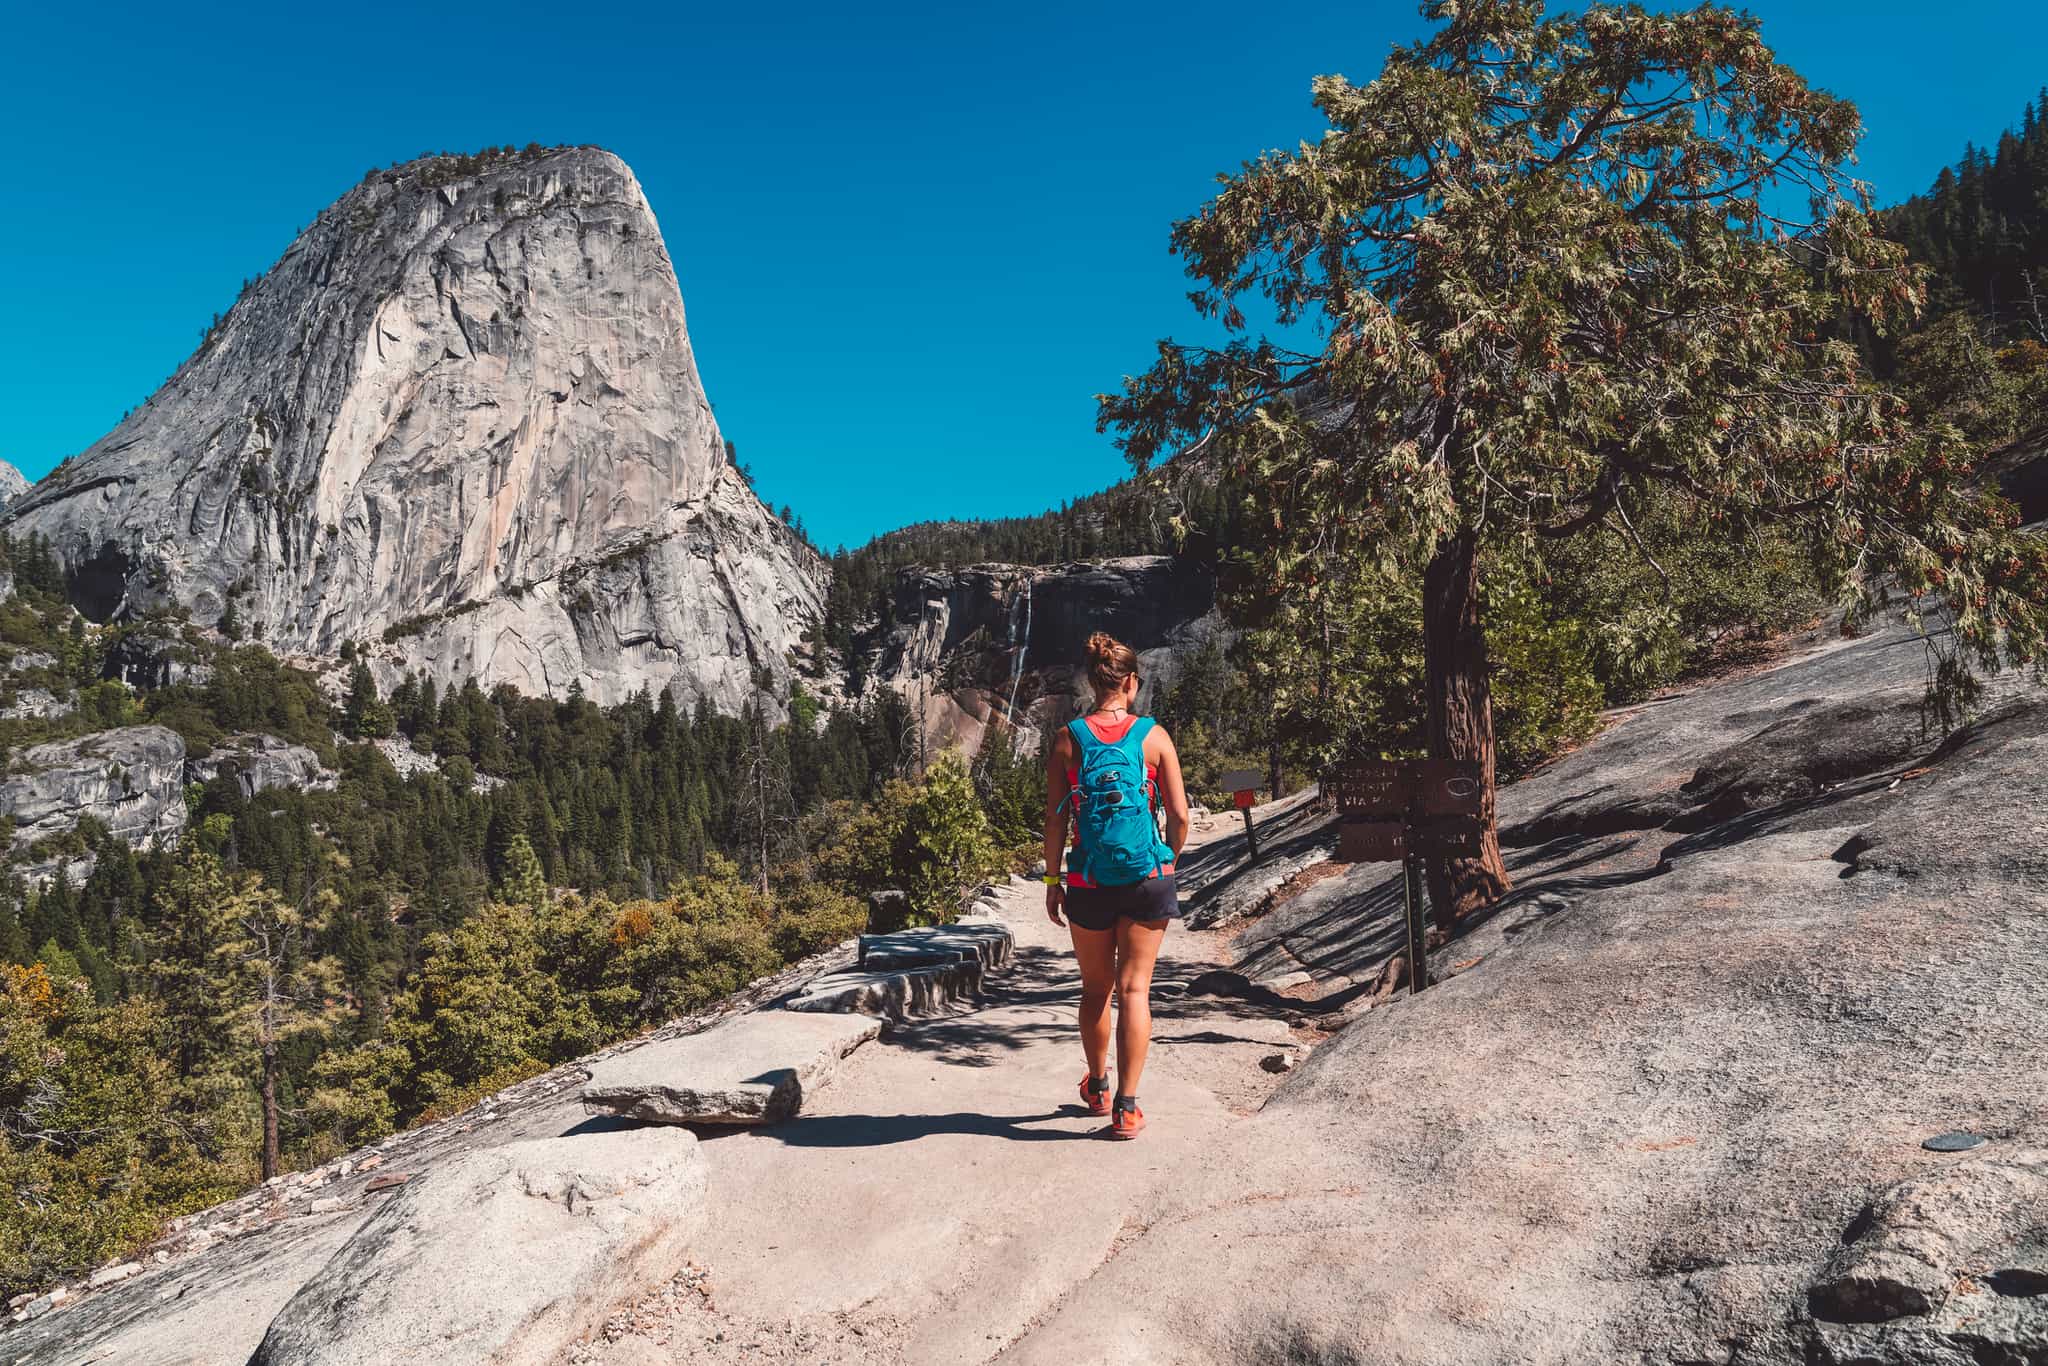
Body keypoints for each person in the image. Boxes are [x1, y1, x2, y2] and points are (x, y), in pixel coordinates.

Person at [1042, 632, 1190, 1139]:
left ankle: (1098, 1087)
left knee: (1096, 989)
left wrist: (1051, 880)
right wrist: (1166, 857)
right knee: (1135, 989)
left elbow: (1055, 823)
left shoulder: (1067, 739)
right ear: (1130, 682)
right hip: (1147, 877)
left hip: (1087, 880)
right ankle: (1127, 1108)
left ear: (1091, 680)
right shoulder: (1154, 737)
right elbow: (1180, 815)